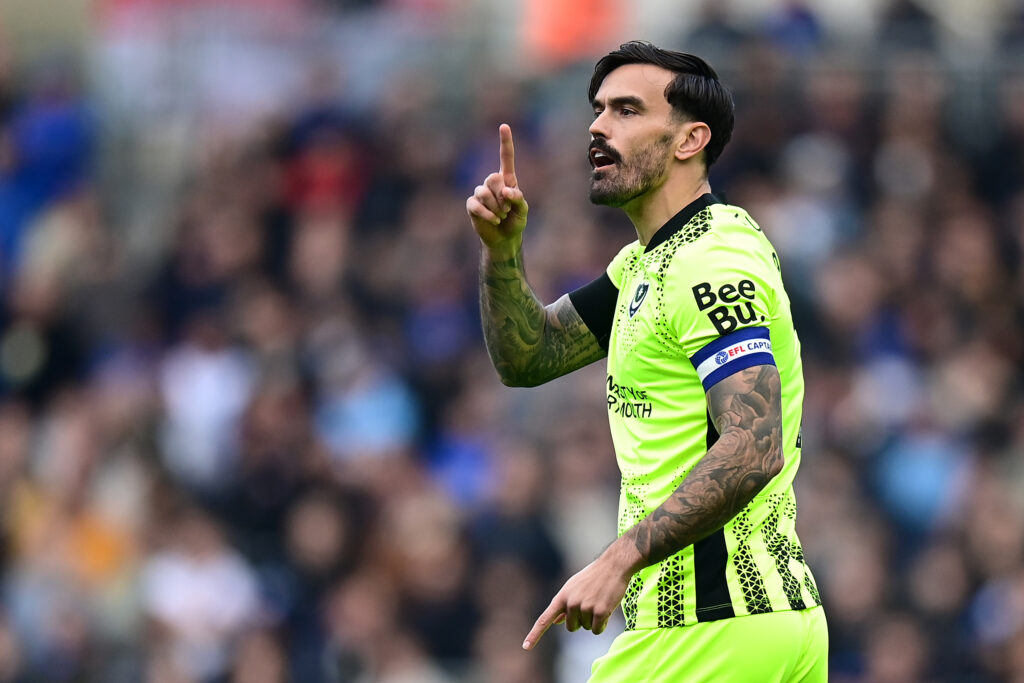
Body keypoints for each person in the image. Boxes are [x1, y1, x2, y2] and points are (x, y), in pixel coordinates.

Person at [466, 41, 827, 681]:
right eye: (598, 110)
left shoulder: (709, 260)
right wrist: (502, 252)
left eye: (628, 110)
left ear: (690, 140)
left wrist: (616, 560)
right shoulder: (645, 265)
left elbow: (754, 442)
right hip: (761, 626)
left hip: (709, 627)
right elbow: (530, 356)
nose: (599, 127)